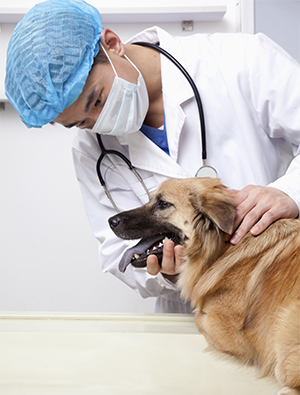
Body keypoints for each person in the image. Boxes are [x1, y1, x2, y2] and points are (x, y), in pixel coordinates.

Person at [5, 0, 300, 313]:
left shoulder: (241, 60)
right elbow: (118, 252)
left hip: (283, 291)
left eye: (97, 100)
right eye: (80, 121)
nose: (99, 121)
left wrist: (291, 191)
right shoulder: (91, 150)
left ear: (112, 44)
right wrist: (168, 271)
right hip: (198, 316)